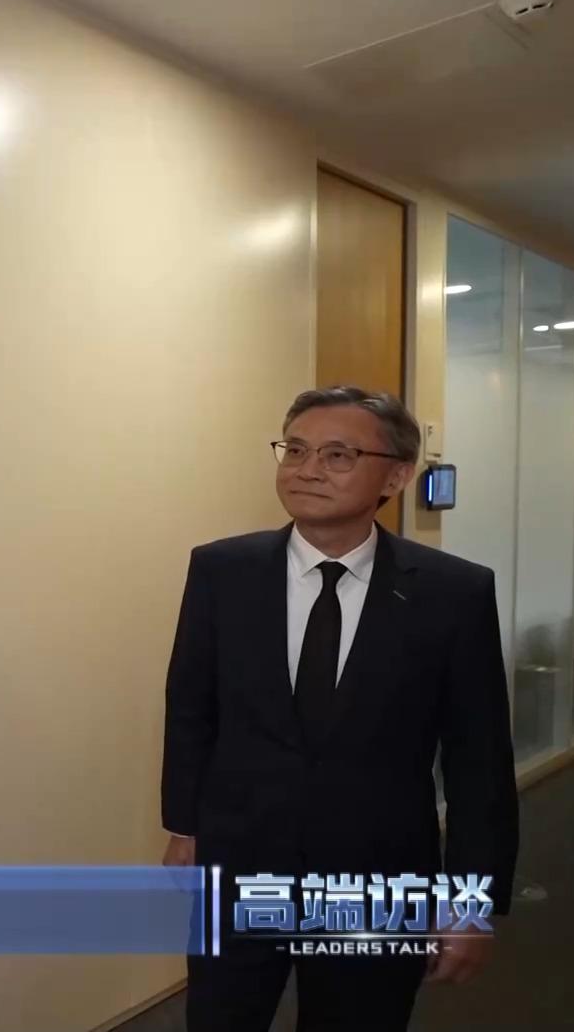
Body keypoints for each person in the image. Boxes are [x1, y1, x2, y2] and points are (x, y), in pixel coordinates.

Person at [160, 386, 519, 1032]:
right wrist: (183, 826)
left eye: (337, 455)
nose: (307, 469)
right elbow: (191, 708)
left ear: (397, 476)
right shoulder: (222, 571)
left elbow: (479, 762)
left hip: (377, 874)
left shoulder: (454, 592)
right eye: (295, 450)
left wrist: (470, 901)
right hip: (241, 861)